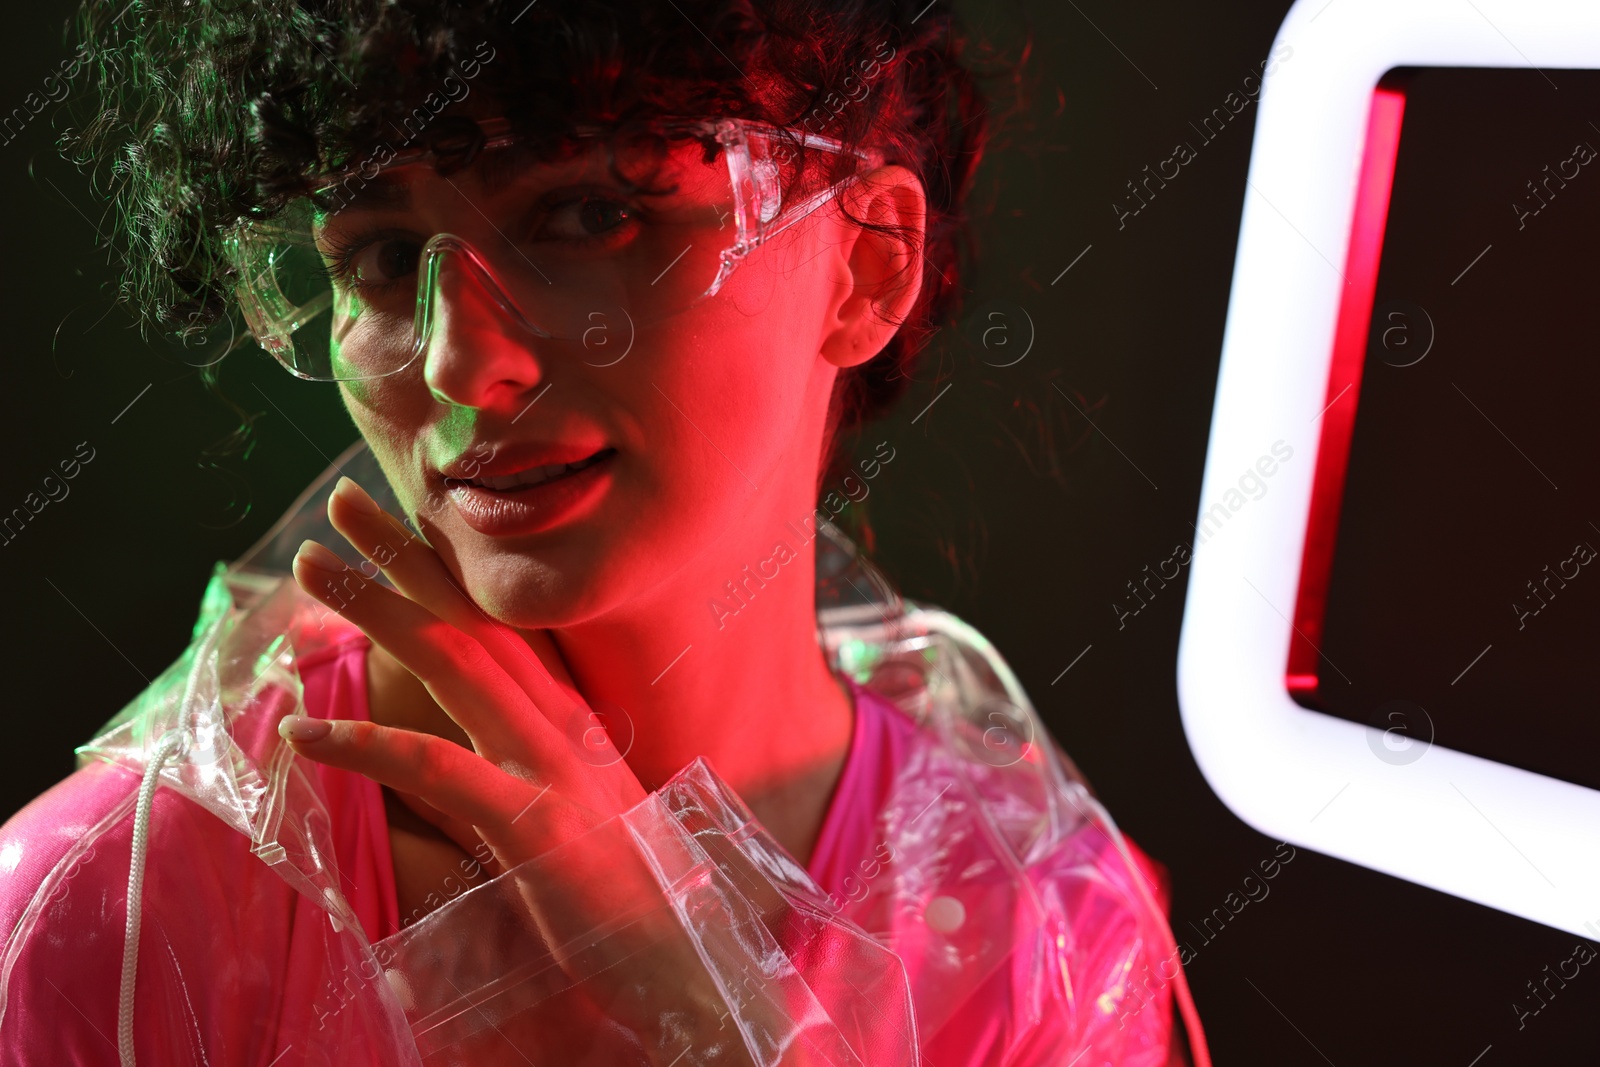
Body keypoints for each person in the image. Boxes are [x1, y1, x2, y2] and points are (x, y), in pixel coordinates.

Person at [0, 1, 1208, 1063]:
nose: (462, 360)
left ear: (868, 267)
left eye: (587, 215)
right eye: (378, 257)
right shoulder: (116, 907)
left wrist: (703, 1013)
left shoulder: (1036, 931)